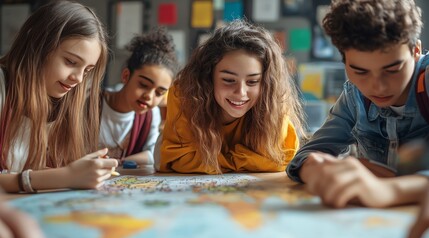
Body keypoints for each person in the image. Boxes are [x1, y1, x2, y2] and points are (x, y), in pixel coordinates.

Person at [286, 0, 429, 208]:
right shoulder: (354, 97)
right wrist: (314, 169)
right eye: (360, 72)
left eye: (392, 70)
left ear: (416, 51)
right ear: (344, 62)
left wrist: (390, 190)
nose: (377, 87)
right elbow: (307, 156)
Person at [156, 19, 305, 174]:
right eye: (228, 80)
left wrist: (215, 160)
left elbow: (281, 158)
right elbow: (178, 160)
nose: (241, 92)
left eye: (253, 81)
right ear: (208, 77)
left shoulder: (272, 98)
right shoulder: (184, 94)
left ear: (265, 83)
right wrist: (248, 159)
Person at [0, 0, 118, 193]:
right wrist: (65, 176)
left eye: (87, 70)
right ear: (38, 46)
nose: (78, 79)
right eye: (70, 61)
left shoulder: (59, 100)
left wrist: (76, 172)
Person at [99, 27, 178, 166]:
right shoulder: (91, 104)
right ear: (126, 76)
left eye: (159, 93)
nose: (149, 96)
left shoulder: (151, 114)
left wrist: (118, 162)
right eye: (143, 85)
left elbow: (152, 154)